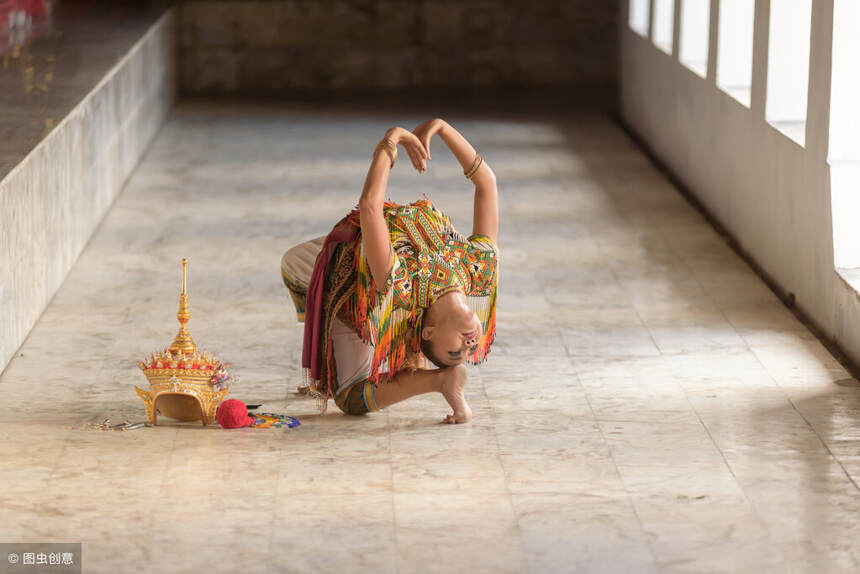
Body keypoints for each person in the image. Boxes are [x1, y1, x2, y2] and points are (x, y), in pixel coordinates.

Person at [280, 118, 499, 424]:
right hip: (368, 241)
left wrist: (391, 141)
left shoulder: (401, 285)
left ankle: (437, 380)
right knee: (294, 265)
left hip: (352, 289)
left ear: (430, 333)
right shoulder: (477, 271)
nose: (470, 345)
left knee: (349, 397)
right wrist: (443, 128)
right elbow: (487, 184)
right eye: (469, 350)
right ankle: (337, 360)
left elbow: (370, 205)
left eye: (454, 353)